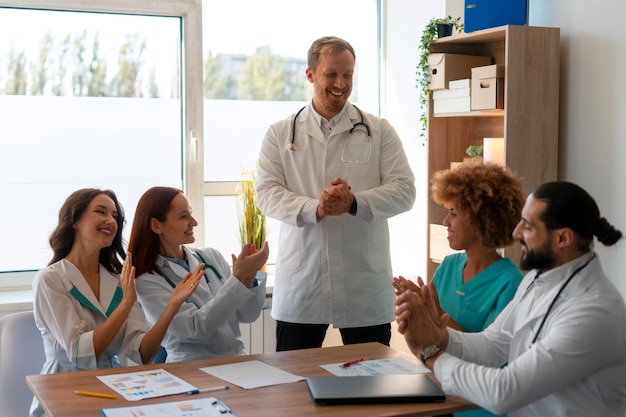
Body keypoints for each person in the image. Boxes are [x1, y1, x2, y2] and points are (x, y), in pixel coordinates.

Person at [395, 181, 626, 417]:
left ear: (562, 238)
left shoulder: (595, 311)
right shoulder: (536, 279)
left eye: (528, 226)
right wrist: (440, 337)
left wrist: (430, 352)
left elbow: (504, 391)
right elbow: (493, 345)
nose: (516, 233)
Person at [255, 36, 416, 351]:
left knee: (371, 382)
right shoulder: (279, 134)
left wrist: (354, 203)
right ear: (311, 75)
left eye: (348, 75)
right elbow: (267, 194)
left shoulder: (379, 131)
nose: (340, 83)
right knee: (295, 382)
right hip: (304, 282)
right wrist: (316, 208)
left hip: (363, 283)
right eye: (331, 74)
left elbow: (405, 190)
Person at [30, 188, 202, 417]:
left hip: (111, 387)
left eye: (115, 216)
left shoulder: (118, 279)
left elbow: (142, 352)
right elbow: (80, 352)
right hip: (63, 389)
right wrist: (125, 305)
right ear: (74, 221)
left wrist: (172, 306)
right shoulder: (50, 280)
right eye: (100, 212)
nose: (110, 220)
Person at [394, 159, 525, 417]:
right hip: (437, 390)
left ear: (481, 220)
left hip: (475, 404)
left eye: (453, 213)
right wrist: (415, 308)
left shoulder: (510, 283)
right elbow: (429, 332)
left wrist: (437, 311)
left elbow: (489, 355)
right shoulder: (449, 265)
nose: (445, 222)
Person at [128, 186, 269, 362]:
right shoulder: (147, 280)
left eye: (191, 213)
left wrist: (247, 280)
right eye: (183, 216)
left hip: (236, 360)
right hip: (190, 366)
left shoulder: (211, 257)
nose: (194, 222)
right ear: (157, 225)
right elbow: (196, 327)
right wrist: (237, 278)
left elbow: (248, 315)